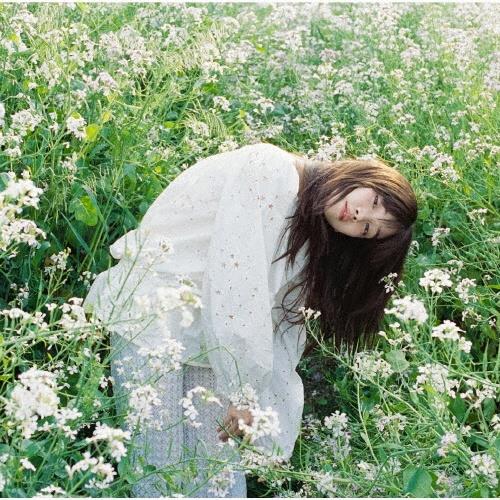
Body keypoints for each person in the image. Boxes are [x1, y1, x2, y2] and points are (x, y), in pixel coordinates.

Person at [83, 142, 417, 497]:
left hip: (209, 340)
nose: (359, 216)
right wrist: (243, 390)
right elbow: (236, 287)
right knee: (157, 467)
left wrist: (262, 408)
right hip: (152, 317)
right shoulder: (271, 170)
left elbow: (282, 325)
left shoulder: (311, 224)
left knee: (216, 476)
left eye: (366, 230)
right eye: (373, 202)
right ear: (366, 174)